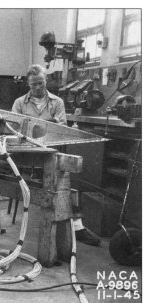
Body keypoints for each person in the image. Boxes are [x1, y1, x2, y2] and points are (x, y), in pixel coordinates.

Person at [11, 64, 100, 246]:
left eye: (41, 83)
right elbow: (14, 129)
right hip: (26, 153)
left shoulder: (57, 102)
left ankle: (77, 227)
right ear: (28, 84)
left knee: (67, 180)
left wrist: (50, 126)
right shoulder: (19, 103)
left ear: (46, 81)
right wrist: (42, 126)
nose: (37, 88)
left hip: (51, 151)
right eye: (33, 84)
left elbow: (62, 130)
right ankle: (73, 226)